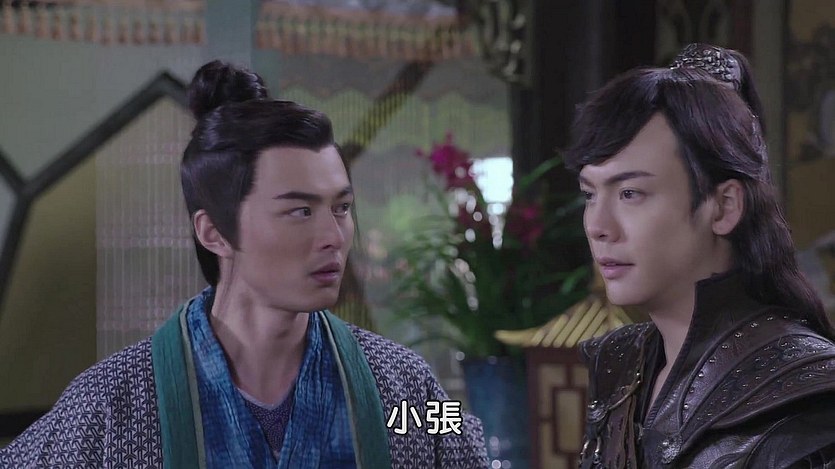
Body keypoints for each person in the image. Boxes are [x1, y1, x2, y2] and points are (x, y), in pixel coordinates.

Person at [0, 61, 487, 468]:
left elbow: (458, 439)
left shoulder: (401, 391)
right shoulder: (111, 405)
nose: (334, 236)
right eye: (300, 211)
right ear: (214, 232)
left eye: (341, 208)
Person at [567, 43, 835, 468]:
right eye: (589, 194)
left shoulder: (805, 398)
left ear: (724, 206)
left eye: (630, 193)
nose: (598, 225)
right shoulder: (622, 369)